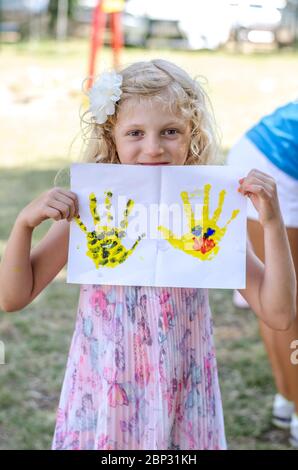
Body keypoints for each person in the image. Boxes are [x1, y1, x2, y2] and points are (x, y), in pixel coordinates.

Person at [0, 60, 296, 450]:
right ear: (112, 137)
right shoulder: (92, 209)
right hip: (104, 392)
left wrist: (272, 223)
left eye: (170, 131)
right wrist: (23, 226)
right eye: (136, 132)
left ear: (192, 136)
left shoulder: (207, 215)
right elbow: (13, 297)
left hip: (182, 394)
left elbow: (279, 314)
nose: (153, 148)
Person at [227, 101, 298, 447]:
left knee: (280, 297)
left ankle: (288, 399)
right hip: (274, 168)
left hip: (261, 154)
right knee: (286, 301)